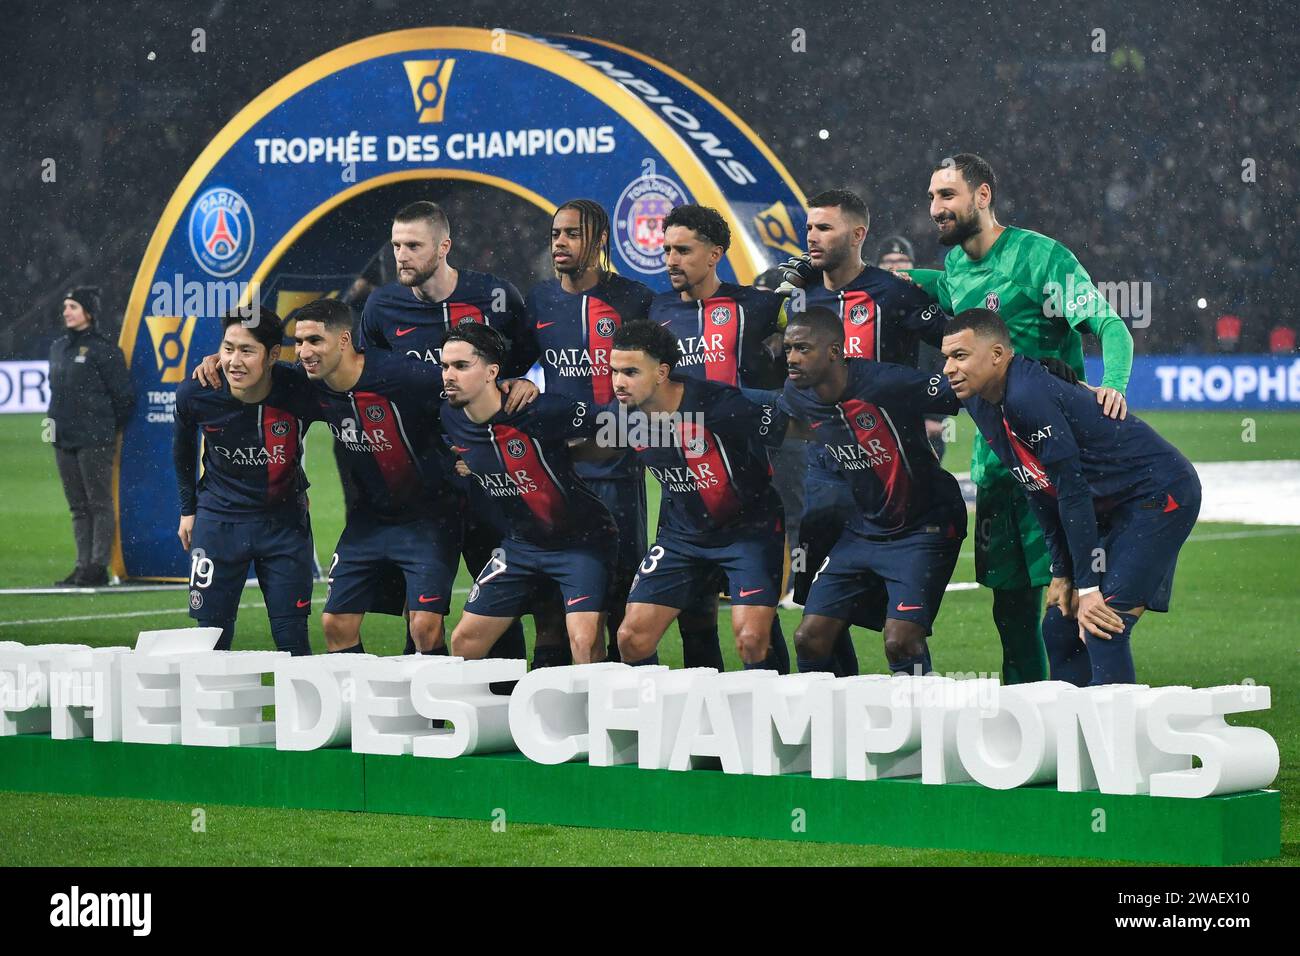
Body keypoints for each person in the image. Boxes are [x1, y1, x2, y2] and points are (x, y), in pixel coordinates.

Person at [906, 153, 1133, 685]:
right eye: (932, 198)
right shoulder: (958, 269)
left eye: (947, 196)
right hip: (997, 467)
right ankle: (1025, 729)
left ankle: (1085, 724)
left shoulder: (1039, 258)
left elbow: (1110, 325)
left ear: (982, 196)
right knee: (1009, 611)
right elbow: (930, 286)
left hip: (1055, 464)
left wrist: (1114, 390)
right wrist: (857, 272)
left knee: (1069, 605)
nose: (936, 208)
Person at [941, 309, 1201, 685]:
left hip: (1159, 495)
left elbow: (1071, 493)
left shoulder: (1027, 396)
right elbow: (1037, 485)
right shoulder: (980, 399)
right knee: (1059, 626)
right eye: (946, 357)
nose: (949, 367)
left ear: (997, 354)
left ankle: (1114, 743)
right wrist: (1062, 573)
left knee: (1101, 626)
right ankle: (1073, 740)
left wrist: (1089, 587)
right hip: (1109, 502)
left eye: (960, 356)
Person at [775, 191, 948, 676]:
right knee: (818, 622)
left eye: (825, 228)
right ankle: (838, 723)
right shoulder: (800, 298)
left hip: (893, 473)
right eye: (809, 228)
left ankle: (920, 718)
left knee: (902, 632)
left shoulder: (894, 294)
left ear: (857, 235)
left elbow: (954, 345)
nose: (812, 236)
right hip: (826, 478)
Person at [357, 200, 538, 660]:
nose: (401, 255)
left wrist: (521, 382)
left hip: (488, 480)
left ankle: (507, 708)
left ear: (444, 247)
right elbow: (364, 371)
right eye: (396, 245)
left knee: (497, 607)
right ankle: (426, 717)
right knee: (421, 615)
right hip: (419, 484)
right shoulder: (381, 307)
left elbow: (526, 360)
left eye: (413, 245)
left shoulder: (494, 296)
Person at [776, 307, 966, 676]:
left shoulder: (887, 383)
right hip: (864, 528)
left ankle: (919, 724)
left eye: (802, 348)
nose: (792, 358)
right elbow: (776, 420)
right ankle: (830, 728)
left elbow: (965, 391)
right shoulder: (795, 393)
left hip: (924, 524)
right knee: (809, 637)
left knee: (900, 641)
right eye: (787, 349)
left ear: (834, 352)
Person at [650, 203, 790, 669]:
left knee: (757, 629)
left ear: (715, 254)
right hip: (683, 493)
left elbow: (808, 345)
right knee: (695, 618)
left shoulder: (757, 306)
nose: (671, 259)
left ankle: (782, 721)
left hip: (745, 485)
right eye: (666, 249)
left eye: (683, 250)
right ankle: (705, 728)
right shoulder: (654, 313)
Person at [604, 320, 789, 671]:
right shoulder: (621, 414)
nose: (618, 382)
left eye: (630, 371)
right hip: (682, 538)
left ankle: (775, 719)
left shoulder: (720, 403)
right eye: (613, 371)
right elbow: (587, 442)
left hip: (748, 533)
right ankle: (655, 721)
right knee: (630, 638)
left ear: (661, 372)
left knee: (752, 640)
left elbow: (791, 419)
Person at [518, 199, 655, 666]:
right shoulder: (538, 301)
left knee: (622, 599)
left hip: (617, 472)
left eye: (573, 234)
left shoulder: (634, 299)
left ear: (598, 241)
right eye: (556, 234)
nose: (560, 242)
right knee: (551, 601)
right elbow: (512, 370)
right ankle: (552, 709)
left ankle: (633, 714)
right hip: (558, 475)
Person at [442, 324, 616, 664]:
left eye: (461, 366)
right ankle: (489, 716)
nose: (449, 375)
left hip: (581, 542)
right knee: (464, 642)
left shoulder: (540, 410)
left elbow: (617, 425)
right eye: (445, 366)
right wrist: (469, 462)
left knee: (584, 642)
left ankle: (594, 717)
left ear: (492, 372)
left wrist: (578, 454)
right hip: (521, 547)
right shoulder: (449, 415)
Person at [173, 310, 315, 654]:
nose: (234, 361)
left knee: (292, 636)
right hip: (219, 522)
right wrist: (188, 511)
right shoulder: (197, 391)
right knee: (211, 637)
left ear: (273, 355)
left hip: (284, 525)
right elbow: (183, 451)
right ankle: (211, 708)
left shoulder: (300, 389)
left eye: (247, 351)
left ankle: (302, 709)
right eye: (228, 348)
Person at [47, 286, 135, 587]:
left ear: (89, 312)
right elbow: (55, 394)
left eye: (72, 306)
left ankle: (97, 566)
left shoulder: (105, 350)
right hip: (63, 438)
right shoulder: (58, 347)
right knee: (77, 506)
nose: (66, 312)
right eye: (65, 307)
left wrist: (104, 428)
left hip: (94, 439)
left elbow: (124, 397)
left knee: (98, 503)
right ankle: (81, 565)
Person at [875, 234, 949, 462]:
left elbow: (944, 358)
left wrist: (935, 414)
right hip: (877, 408)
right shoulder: (866, 304)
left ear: (913, 266)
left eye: (902, 261)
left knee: (925, 482)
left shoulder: (929, 304)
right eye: (888, 261)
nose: (895, 266)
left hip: (922, 407)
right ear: (877, 266)